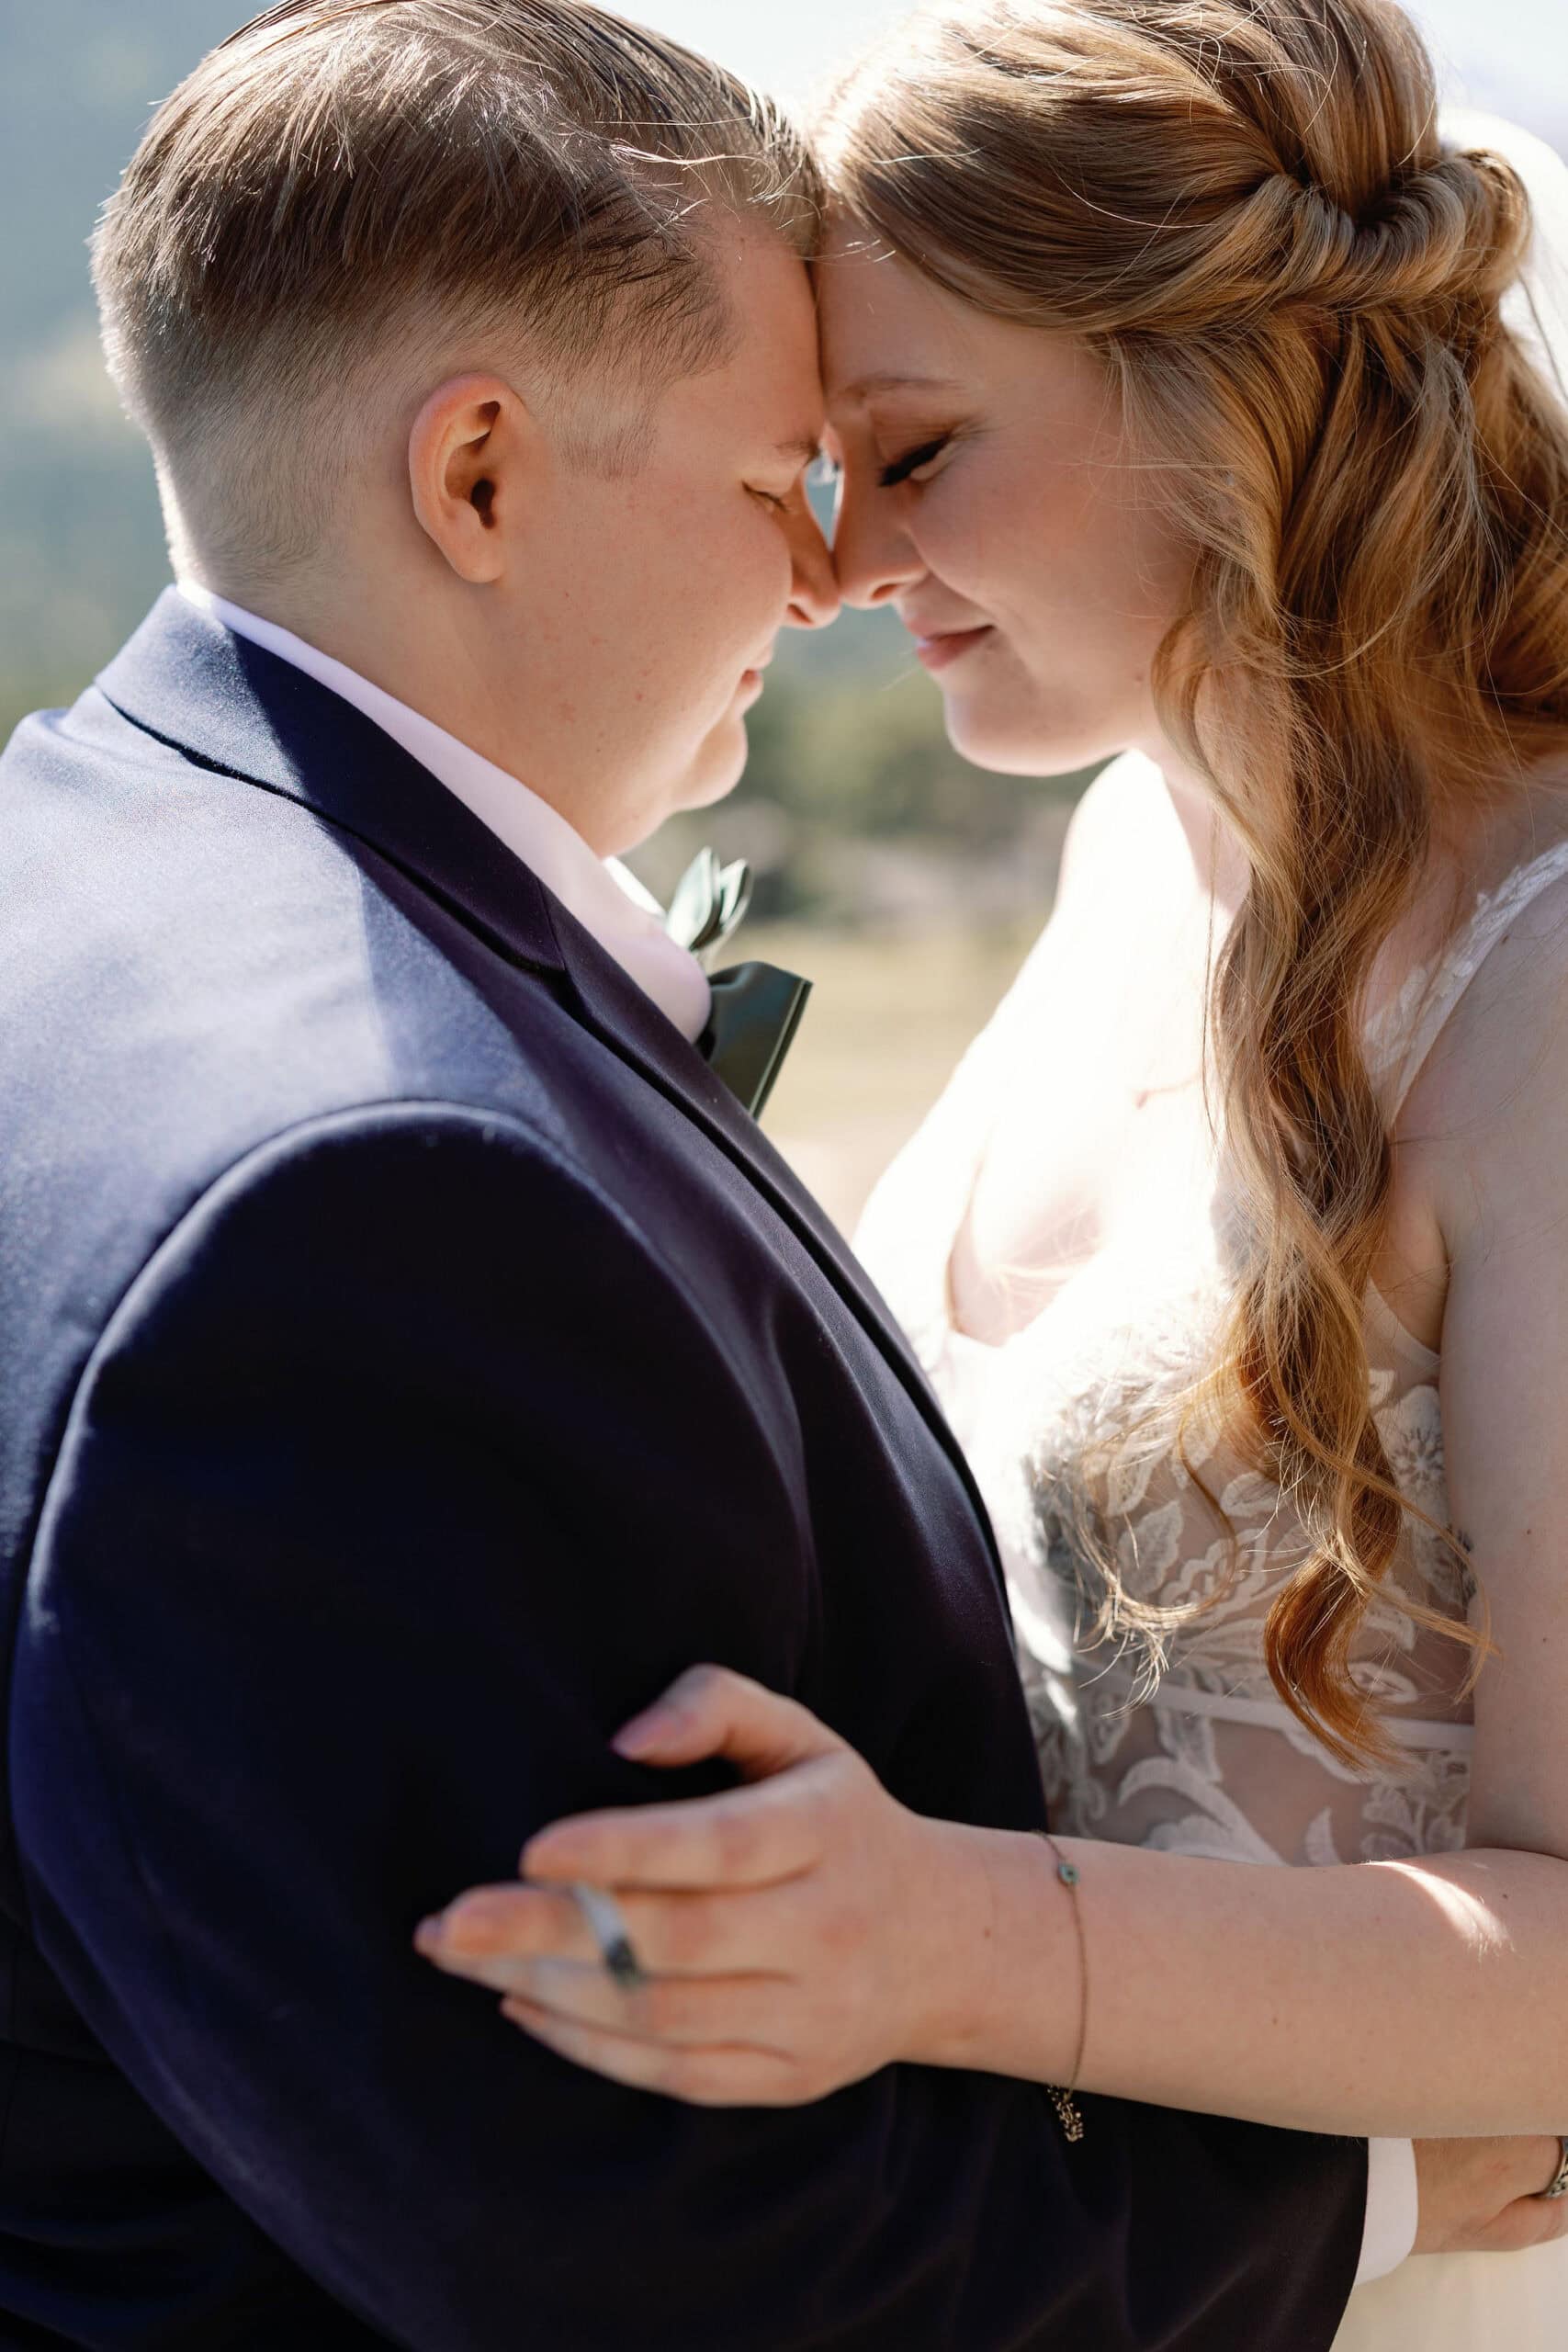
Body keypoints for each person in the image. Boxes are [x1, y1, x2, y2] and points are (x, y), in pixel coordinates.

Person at [6, 0, 1523, 2344]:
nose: (833, 566)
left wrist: (952, 1937)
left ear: (1213, 403)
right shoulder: (1134, 849)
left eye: (903, 451)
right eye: (799, 472)